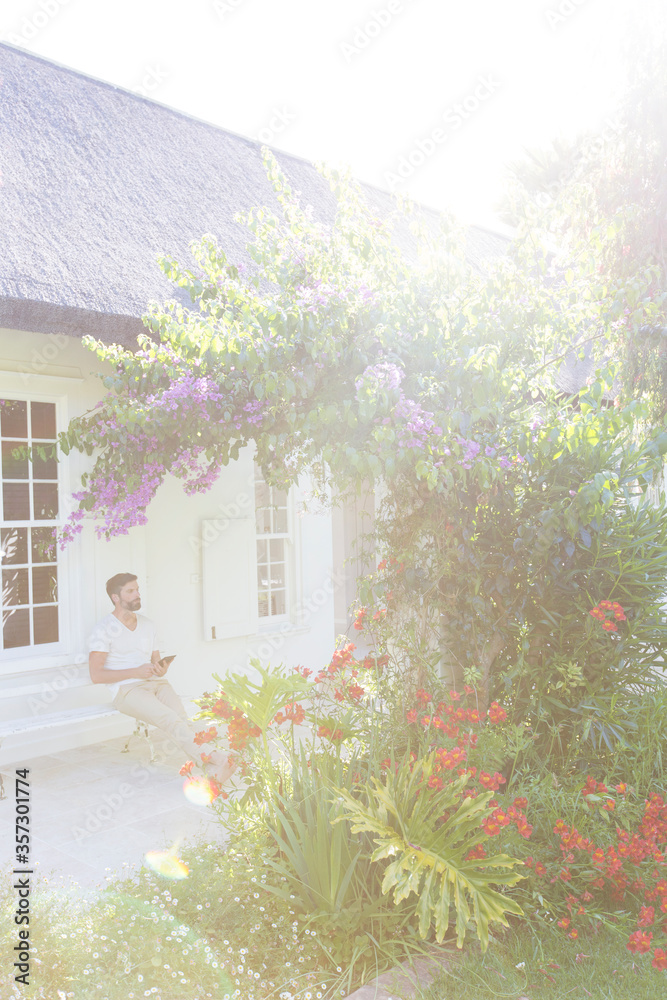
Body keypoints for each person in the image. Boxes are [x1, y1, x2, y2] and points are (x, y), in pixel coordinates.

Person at [88, 572, 235, 783]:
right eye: (130, 591)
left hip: (156, 683)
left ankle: (212, 770)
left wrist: (160, 669)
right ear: (115, 597)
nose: (137, 594)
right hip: (127, 690)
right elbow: (96, 675)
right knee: (171, 720)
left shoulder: (148, 625)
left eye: (137, 589)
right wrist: (135, 672)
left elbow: (155, 660)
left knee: (182, 722)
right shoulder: (103, 629)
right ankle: (218, 759)